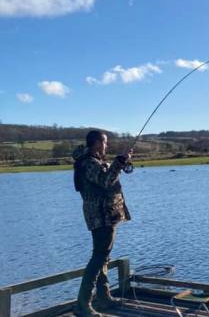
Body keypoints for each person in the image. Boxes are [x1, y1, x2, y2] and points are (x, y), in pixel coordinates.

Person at [72, 130, 132, 316]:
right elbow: (106, 181)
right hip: (101, 217)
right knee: (98, 258)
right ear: (97, 143)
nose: (107, 145)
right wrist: (119, 162)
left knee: (103, 257)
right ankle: (82, 304)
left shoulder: (95, 161)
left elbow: (108, 176)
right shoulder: (88, 163)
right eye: (105, 142)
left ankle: (103, 297)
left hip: (106, 215)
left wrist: (122, 163)